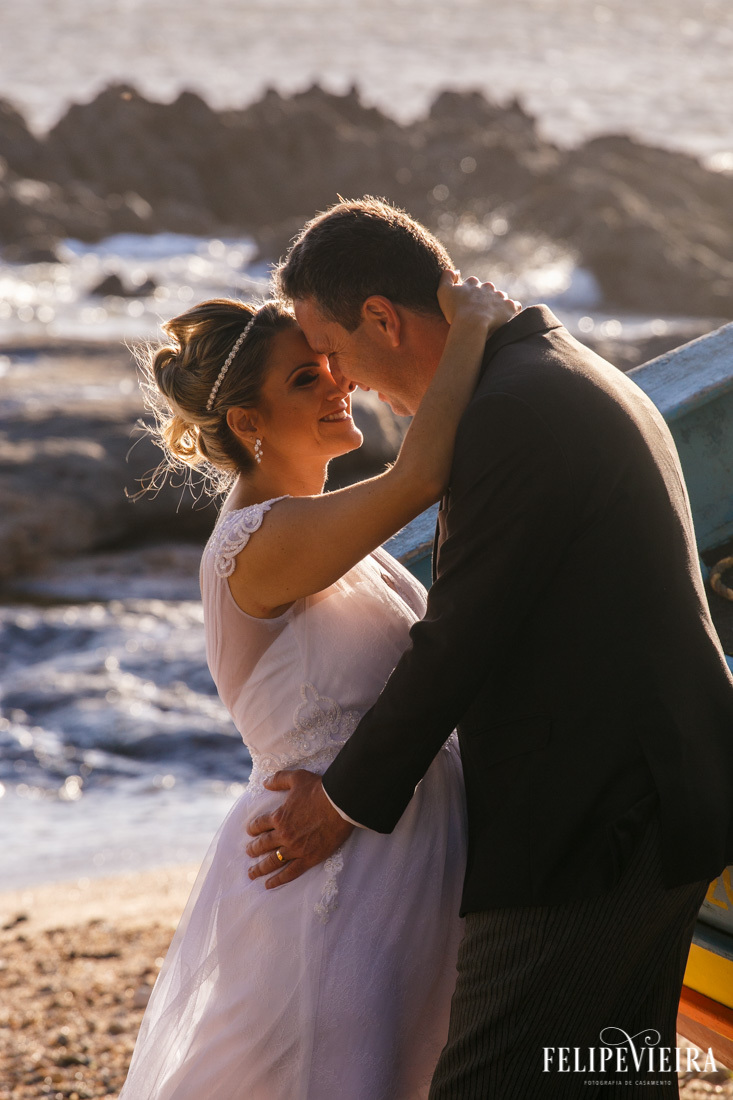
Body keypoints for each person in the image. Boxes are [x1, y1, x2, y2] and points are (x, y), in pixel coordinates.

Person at [246, 197, 733, 1098]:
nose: (343, 384)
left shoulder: (512, 411)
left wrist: (339, 803)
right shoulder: (554, 369)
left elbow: (458, 640)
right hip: (659, 796)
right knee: (607, 1080)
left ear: (384, 320)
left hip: (599, 824)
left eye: (336, 355)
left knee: (489, 1080)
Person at [119, 274, 520, 1099]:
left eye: (331, 365)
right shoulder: (260, 542)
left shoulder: (324, 530)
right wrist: (472, 328)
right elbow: (419, 476)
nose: (338, 383)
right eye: (308, 378)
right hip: (333, 887)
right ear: (246, 423)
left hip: (397, 875)